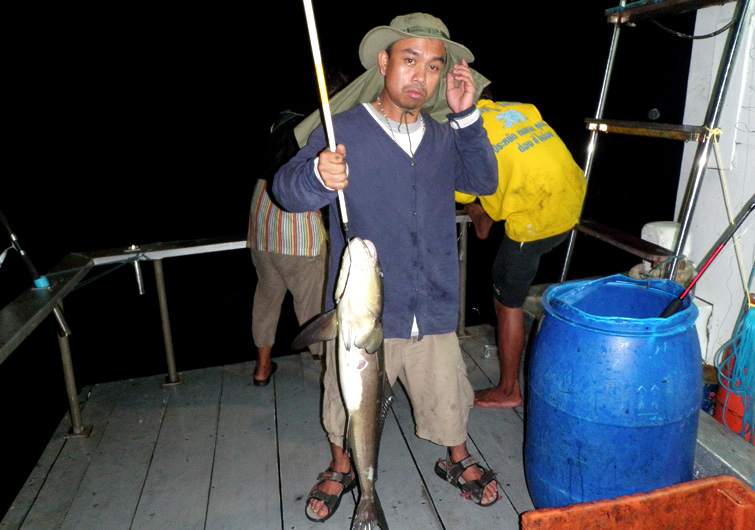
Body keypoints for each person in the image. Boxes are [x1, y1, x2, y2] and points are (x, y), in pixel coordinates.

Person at [272, 12, 501, 520]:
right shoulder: (344, 131)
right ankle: (341, 465)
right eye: (410, 60)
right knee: (344, 403)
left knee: (448, 396)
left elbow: (484, 180)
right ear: (384, 62)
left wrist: (467, 118)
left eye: (435, 67)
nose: (421, 76)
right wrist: (316, 173)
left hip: (434, 303)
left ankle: (456, 458)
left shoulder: (444, 135)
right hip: (362, 312)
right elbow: (285, 191)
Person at [455, 90, 587, 408]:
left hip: (537, 218)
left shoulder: (463, 132)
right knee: (495, 183)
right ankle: (484, 214)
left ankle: (508, 390)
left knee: (505, 300)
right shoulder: (521, 108)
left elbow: (460, 190)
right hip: (573, 199)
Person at [248, 68, 349, 386]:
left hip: (261, 222)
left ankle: (262, 367)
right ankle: (327, 371)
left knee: (266, 297)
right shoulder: (323, 129)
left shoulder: (282, 120)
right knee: (313, 306)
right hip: (296, 232)